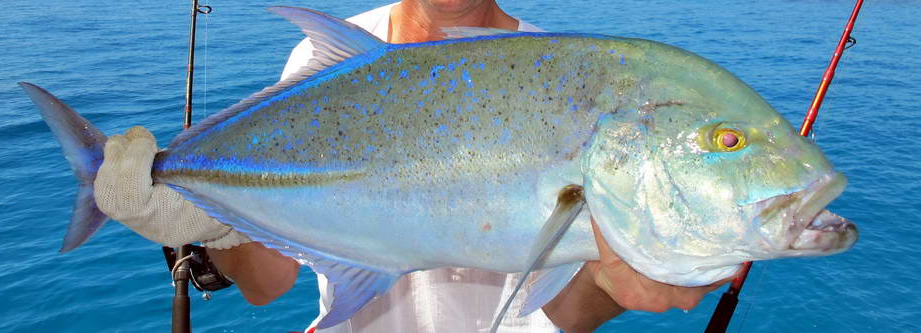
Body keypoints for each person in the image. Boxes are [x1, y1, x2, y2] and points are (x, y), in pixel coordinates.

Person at [93, 1, 730, 332]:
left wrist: (617, 289)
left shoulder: (563, 78)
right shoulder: (331, 67)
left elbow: (563, 314)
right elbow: (266, 284)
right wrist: (212, 225)